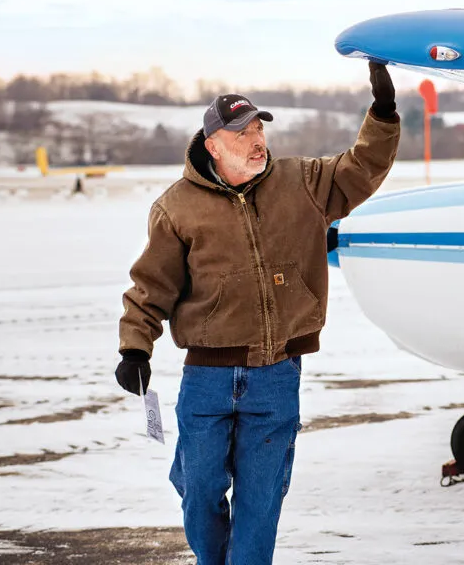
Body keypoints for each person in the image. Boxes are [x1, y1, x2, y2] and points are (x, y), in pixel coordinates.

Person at [113, 61, 399, 564]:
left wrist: (382, 112)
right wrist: (135, 346)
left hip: (276, 375)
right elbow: (152, 284)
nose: (256, 138)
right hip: (207, 376)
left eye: (260, 127)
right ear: (213, 145)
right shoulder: (176, 207)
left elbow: (362, 167)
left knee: (261, 503)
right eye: (242, 131)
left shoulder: (303, 182)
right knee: (199, 492)